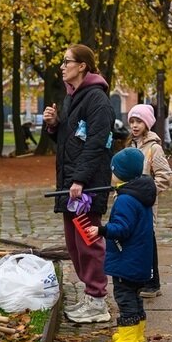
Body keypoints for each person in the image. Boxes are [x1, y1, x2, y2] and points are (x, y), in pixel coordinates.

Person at [43, 44, 115, 324]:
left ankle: (97, 301)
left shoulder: (96, 100)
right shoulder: (72, 98)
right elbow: (71, 141)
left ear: (83, 65)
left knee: (88, 242)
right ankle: (90, 296)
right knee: (74, 245)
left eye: (67, 61)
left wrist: (80, 180)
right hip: (72, 184)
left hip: (85, 187)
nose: (62, 66)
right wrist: (54, 125)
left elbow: (96, 143)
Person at [84, 148, 157, 342]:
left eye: (113, 169)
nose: (111, 172)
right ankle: (136, 333)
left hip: (127, 259)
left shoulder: (125, 199)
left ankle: (128, 339)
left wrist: (101, 230)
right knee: (135, 296)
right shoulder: (140, 193)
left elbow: (122, 229)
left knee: (125, 298)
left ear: (121, 173)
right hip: (138, 259)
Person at [126, 103, 171, 298]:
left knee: (147, 241)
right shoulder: (129, 146)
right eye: (132, 121)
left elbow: (164, 176)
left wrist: (149, 192)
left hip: (145, 205)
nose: (135, 125)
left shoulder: (154, 148)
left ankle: (153, 282)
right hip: (128, 203)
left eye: (139, 121)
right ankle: (137, 278)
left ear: (147, 123)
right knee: (131, 241)